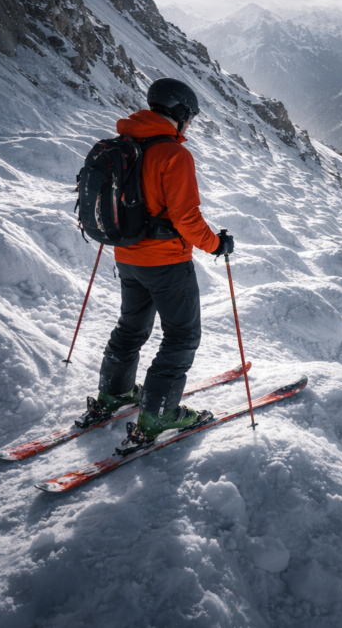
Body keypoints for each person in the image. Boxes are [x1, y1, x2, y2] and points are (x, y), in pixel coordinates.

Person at [85, 77, 233, 447]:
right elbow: (186, 218)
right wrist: (216, 245)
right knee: (182, 335)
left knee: (131, 328)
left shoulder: (123, 145)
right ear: (180, 114)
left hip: (127, 257)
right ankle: (159, 413)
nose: (190, 124)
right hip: (166, 263)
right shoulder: (173, 154)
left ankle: (115, 393)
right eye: (190, 117)